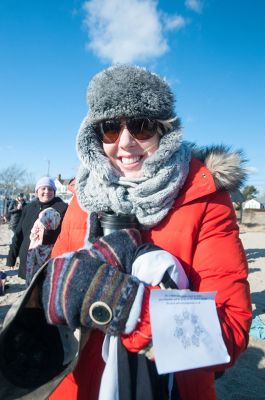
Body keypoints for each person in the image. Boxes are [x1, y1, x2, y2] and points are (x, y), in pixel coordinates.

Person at [0, 65, 252, 400]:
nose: (124, 143)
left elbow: (232, 333)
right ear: (93, 136)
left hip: (168, 388)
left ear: (163, 131)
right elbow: (61, 286)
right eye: (108, 129)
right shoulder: (84, 197)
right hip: (79, 386)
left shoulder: (203, 197)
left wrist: (128, 305)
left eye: (141, 126)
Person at [6, 177, 68, 279]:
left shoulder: (63, 208)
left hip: (49, 260)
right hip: (27, 258)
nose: (47, 191)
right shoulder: (28, 208)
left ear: (54, 191)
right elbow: (18, 234)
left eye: (50, 189)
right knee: (30, 290)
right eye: (43, 188)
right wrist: (11, 258)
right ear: (37, 191)